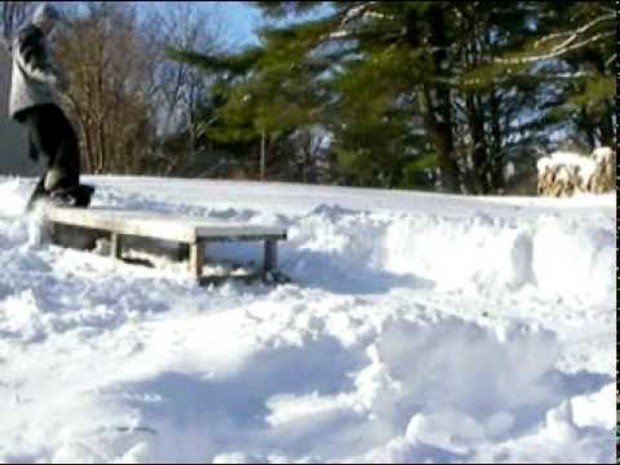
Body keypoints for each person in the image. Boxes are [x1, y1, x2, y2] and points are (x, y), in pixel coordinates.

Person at [9, 4, 92, 208]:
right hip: (33, 102)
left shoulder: (37, 38)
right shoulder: (28, 35)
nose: (52, 28)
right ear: (42, 19)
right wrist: (54, 76)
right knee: (66, 139)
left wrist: (58, 79)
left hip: (35, 102)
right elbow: (32, 63)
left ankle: (38, 202)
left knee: (57, 152)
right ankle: (61, 187)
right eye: (50, 24)